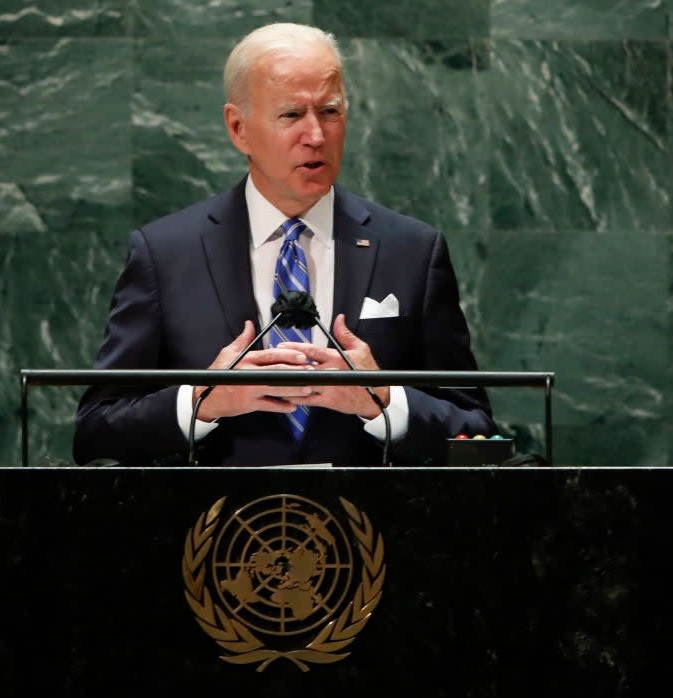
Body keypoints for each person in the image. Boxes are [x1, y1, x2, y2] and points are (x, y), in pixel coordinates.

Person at [73, 22, 495, 466]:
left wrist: (383, 400)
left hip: (372, 527)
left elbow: (477, 430)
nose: (316, 135)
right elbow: (97, 433)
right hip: (216, 528)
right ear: (239, 129)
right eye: (291, 115)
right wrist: (201, 400)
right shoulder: (165, 254)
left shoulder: (412, 251)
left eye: (330, 112)